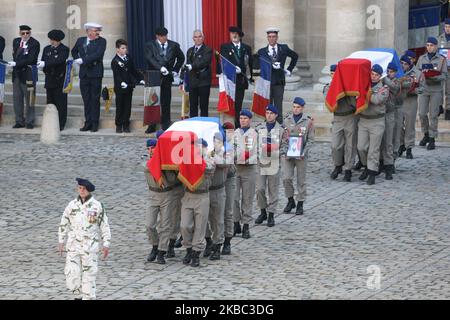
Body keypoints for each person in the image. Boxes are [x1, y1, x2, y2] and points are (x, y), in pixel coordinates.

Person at [58, 178, 111, 300]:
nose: (81, 191)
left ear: (89, 190)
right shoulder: (72, 205)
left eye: (84, 189)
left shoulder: (97, 206)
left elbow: (104, 225)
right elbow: (64, 223)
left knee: (89, 275)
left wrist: (106, 243)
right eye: (79, 188)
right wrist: (61, 241)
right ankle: (77, 294)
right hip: (73, 245)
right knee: (71, 273)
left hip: (89, 245)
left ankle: (87, 297)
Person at [144, 138, 183, 264]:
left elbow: (173, 179)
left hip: (167, 195)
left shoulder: (167, 163)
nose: (150, 151)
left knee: (165, 225)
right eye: (149, 149)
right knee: (149, 225)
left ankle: (161, 251)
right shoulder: (148, 162)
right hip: (153, 194)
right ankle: (155, 245)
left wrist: (167, 167)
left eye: (153, 148)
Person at [180, 139, 215, 268]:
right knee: (185, 226)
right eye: (195, 146)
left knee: (200, 227)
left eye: (200, 147)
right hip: (188, 195)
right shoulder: (187, 159)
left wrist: (197, 159)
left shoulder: (208, 160)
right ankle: (188, 248)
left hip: (202, 196)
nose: (198, 149)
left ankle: (196, 253)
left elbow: (209, 168)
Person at [144, 27, 185, 132]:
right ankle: (152, 124)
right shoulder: (150, 45)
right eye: (162, 36)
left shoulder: (174, 45)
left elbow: (181, 58)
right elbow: (150, 58)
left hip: (167, 76)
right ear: (157, 36)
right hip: (153, 75)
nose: (164, 38)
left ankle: (166, 123)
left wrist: (175, 69)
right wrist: (160, 68)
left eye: (166, 36)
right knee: (152, 101)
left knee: (166, 100)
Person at [281, 97, 314, 215]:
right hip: (288, 155)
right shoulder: (286, 120)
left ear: (302, 108)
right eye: (294, 107)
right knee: (286, 178)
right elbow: (283, 138)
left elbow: (310, 140)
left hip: (301, 156)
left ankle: (300, 202)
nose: (295, 109)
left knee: (301, 180)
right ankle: (290, 200)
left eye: (298, 107)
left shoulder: (308, 122)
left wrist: (304, 152)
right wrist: (284, 151)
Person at [324, 64, 357, 182]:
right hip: (337, 118)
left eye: (336, 73)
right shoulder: (328, 87)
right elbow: (329, 101)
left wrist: (346, 92)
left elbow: (355, 104)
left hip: (349, 117)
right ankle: (338, 165)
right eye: (332, 74)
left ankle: (348, 169)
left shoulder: (348, 87)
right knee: (336, 145)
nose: (334, 76)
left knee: (350, 145)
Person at [257, 27, 298, 123]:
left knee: (278, 105)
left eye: (273, 36)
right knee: (268, 106)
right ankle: (267, 125)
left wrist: (289, 69)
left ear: (277, 37)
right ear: (267, 38)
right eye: (269, 37)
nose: (271, 39)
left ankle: (279, 126)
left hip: (279, 81)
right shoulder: (262, 51)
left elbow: (295, 56)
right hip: (267, 82)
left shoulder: (283, 48)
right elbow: (258, 65)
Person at [71, 23, 107, 133]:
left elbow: (98, 54)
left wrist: (84, 60)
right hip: (84, 73)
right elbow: (74, 51)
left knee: (95, 99)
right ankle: (88, 122)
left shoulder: (102, 41)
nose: (97, 33)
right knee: (86, 99)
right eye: (95, 31)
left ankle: (95, 123)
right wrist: (77, 59)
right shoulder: (81, 40)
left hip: (95, 73)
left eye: (98, 31)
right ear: (88, 31)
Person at [357, 64, 389, 185]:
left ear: (380, 76)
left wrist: (364, 93)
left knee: (373, 150)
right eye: (372, 74)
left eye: (376, 75)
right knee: (361, 147)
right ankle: (366, 165)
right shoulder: (364, 85)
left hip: (377, 121)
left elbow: (376, 100)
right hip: (364, 120)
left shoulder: (384, 89)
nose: (374, 77)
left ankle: (372, 172)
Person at [255, 104, 285, 227]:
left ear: (276, 115)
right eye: (267, 113)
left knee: (273, 190)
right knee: (260, 189)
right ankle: (263, 211)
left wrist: (279, 153)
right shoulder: (258, 128)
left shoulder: (282, 130)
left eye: (271, 113)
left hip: (274, 162)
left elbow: (285, 145)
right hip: (261, 163)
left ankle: (271, 214)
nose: (269, 115)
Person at [416, 37, 448, 150]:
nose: (429, 47)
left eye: (431, 45)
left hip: (435, 90)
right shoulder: (421, 58)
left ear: (436, 46)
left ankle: (432, 138)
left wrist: (434, 76)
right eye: (428, 45)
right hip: (424, 89)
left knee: (433, 115)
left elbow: (445, 75)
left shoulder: (442, 59)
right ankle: (425, 134)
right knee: (422, 113)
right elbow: (417, 72)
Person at [218, 26, 253, 128]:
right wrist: (233, 69)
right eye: (232, 34)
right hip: (230, 80)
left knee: (238, 104)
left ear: (240, 36)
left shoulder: (246, 48)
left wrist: (251, 77)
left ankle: (237, 126)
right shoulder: (225, 47)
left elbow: (250, 63)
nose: (234, 35)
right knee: (230, 104)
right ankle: (229, 125)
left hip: (241, 80)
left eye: (236, 34)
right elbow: (224, 61)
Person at [8, 25, 40, 129]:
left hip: (29, 74)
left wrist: (16, 63)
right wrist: (15, 64)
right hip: (17, 75)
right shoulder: (16, 41)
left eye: (27, 33)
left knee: (30, 98)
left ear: (30, 33)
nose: (25, 35)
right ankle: (19, 121)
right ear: (19, 33)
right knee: (17, 99)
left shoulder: (34, 43)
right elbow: (16, 55)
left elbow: (31, 59)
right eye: (23, 33)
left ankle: (30, 121)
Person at [233, 109, 258, 239]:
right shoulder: (235, 133)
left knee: (247, 198)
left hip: (249, 168)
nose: (243, 120)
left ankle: (246, 225)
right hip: (236, 168)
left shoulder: (254, 133)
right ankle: (235, 223)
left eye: (245, 118)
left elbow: (252, 150)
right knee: (234, 198)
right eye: (241, 118)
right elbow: (231, 148)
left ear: (250, 120)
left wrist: (242, 157)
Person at [38, 29, 69, 131]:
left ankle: (61, 123)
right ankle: (51, 122)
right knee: (50, 103)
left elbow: (58, 60)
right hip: (49, 79)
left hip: (59, 79)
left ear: (59, 41)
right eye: (51, 40)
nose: (52, 42)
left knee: (60, 103)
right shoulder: (47, 49)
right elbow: (44, 59)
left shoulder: (64, 49)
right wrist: (43, 66)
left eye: (54, 40)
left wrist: (46, 63)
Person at [111, 39, 144, 133]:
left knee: (127, 106)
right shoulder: (115, 61)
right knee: (120, 106)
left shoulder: (128, 58)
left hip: (129, 86)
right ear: (117, 49)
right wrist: (121, 82)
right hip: (120, 87)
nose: (125, 49)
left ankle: (126, 124)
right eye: (123, 48)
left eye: (125, 48)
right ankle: (118, 125)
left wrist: (140, 79)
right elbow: (117, 75)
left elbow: (133, 70)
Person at [205, 133, 228, 260]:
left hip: (218, 190)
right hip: (206, 190)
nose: (216, 144)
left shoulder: (226, 153)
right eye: (214, 141)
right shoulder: (207, 152)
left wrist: (212, 156)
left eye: (218, 142)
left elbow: (224, 164)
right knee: (203, 220)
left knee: (217, 220)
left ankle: (217, 244)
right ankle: (208, 240)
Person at [182, 30, 212, 118]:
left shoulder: (208, 49)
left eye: (200, 36)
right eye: (196, 37)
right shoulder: (190, 51)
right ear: (193, 39)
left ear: (203, 38)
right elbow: (187, 64)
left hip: (204, 81)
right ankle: (193, 124)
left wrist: (192, 66)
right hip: (192, 81)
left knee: (203, 106)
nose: (198, 39)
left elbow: (204, 62)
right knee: (193, 106)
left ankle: (203, 126)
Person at [381, 63, 400, 180]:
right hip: (379, 113)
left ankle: (389, 164)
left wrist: (384, 78)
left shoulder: (397, 81)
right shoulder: (381, 81)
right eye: (387, 71)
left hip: (390, 113)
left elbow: (394, 87)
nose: (389, 73)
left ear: (395, 72)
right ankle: (379, 163)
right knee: (379, 141)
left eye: (391, 71)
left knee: (389, 140)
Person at [398, 55, 419, 159]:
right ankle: (401, 145)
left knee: (410, 125)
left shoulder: (417, 73)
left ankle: (409, 148)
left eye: (405, 64)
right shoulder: (398, 74)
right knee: (399, 125)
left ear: (409, 64)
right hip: (400, 101)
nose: (403, 66)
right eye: (401, 63)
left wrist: (414, 90)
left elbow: (422, 88)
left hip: (411, 101)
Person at [222, 121, 236, 255]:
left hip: (229, 179)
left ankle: (227, 240)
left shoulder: (235, 145)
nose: (228, 134)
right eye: (226, 132)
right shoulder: (218, 144)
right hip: (217, 181)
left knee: (228, 211)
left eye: (230, 132)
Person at [438, 18, 450, 120]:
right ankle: (439, 106)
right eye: (446, 26)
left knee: (449, 90)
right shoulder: (440, 38)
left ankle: (448, 109)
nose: (447, 29)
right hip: (442, 68)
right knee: (440, 89)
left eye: (449, 27)